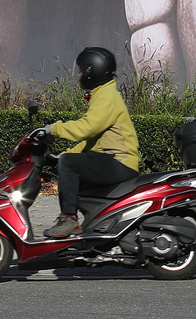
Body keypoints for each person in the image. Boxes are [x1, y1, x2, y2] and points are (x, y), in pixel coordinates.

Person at [40, 46, 140, 238]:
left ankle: (69, 219)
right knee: (69, 167)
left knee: (69, 164)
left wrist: (54, 128)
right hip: (113, 159)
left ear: (91, 71)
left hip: (120, 162)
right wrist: (63, 155)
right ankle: (95, 229)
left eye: (81, 69)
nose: (78, 74)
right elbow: (93, 140)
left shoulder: (106, 96)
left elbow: (87, 128)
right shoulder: (103, 93)